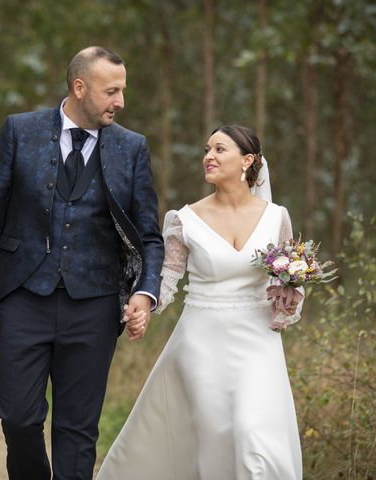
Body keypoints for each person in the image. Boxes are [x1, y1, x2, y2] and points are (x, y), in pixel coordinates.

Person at [0, 46, 164, 480]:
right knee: (18, 416)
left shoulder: (132, 149)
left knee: (77, 428)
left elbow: (149, 235)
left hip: (93, 305)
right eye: (111, 91)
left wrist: (145, 293)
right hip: (23, 297)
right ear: (79, 87)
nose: (120, 102)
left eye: (122, 91)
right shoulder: (20, 131)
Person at [97, 125, 303, 479]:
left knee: (252, 432)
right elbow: (165, 280)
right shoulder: (185, 220)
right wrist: (142, 305)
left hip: (258, 341)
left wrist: (290, 299)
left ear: (247, 160)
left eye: (220, 150)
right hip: (201, 341)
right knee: (215, 436)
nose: (208, 157)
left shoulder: (276, 216)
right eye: (206, 150)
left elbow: (287, 282)